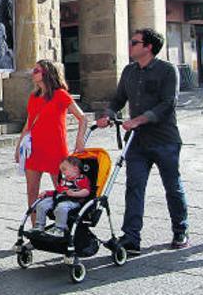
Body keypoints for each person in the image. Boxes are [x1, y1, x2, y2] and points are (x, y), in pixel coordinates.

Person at [96, 28, 189, 254]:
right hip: (137, 142)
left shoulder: (167, 70)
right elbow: (118, 99)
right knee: (134, 187)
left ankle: (180, 229)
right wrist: (108, 114)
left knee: (172, 186)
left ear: (148, 47)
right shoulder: (129, 71)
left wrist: (139, 119)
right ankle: (131, 237)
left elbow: (168, 103)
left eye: (134, 42)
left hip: (165, 139)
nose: (130, 45)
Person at [14, 59, 87, 224]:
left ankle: (65, 227)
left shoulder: (61, 94)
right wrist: (19, 146)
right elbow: (28, 124)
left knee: (62, 190)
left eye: (36, 70)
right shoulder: (34, 97)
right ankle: (35, 229)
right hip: (35, 150)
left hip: (56, 150)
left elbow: (82, 118)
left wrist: (79, 141)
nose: (33, 73)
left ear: (46, 74)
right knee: (32, 192)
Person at [33, 156, 92, 237]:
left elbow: (86, 191)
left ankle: (60, 229)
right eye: (61, 171)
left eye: (64, 170)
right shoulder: (64, 180)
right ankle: (39, 225)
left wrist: (75, 194)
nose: (63, 173)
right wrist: (47, 193)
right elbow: (57, 191)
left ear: (75, 169)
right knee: (41, 204)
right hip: (59, 198)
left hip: (73, 200)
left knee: (61, 208)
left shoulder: (82, 179)